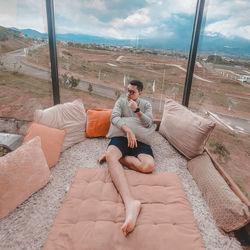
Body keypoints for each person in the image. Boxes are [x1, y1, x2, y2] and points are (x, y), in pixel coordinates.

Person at [98, 80, 155, 236]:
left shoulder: (146, 105)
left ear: (139, 93)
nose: (128, 94)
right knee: (112, 153)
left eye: (132, 92)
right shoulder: (121, 101)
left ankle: (115, 158)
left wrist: (137, 111)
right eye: (127, 90)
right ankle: (130, 203)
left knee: (148, 166)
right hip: (122, 137)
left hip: (141, 141)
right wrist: (128, 129)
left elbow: (149, 123)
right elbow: (114, 118)